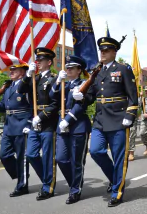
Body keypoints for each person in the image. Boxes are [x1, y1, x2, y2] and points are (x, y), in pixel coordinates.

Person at [84, 37, 138, 207]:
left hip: (118, 118)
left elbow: (133, 96)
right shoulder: (97, 71)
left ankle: (117, 191)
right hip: (100, 119)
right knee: (96, 151)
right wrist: (81, 97)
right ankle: (114, 178)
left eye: (106, 50)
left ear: (114, 52)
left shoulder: (123, 69)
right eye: (101, 50)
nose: (103, 53)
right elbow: (92, 96)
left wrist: (129, 116)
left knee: (119, 158)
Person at [49, 55, 91, 204]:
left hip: (78, 125)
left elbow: (81, 105)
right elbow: (51, 97)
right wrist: (58, 81)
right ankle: (74, 182)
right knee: (60, 158)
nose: (68, 70)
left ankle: (75, 190)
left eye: (72, 68)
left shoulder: (84, 84)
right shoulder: (63, 85)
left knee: (76, 161)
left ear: (79, 70)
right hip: (62, 125)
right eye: (67, 67)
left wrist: (68, 120)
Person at [0, 64, 31, 197]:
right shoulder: (8, 87)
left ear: (22, 73)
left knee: (22, 158)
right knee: (4, 155)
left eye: (14, 70)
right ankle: (21, 175)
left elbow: (33, 106)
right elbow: (5, 107)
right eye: (11, 70)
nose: (11, 72)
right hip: (9, 126)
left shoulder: (26, 87)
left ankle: (22, 186)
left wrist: (29, 123)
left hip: (22, 125)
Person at [18, 48, 58, 201]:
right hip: (34, 122)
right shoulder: (34, 78)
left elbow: (55, 103)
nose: (38, 63)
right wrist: (28, 75)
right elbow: (21, 90)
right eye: (37, 60)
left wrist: (41, 116)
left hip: (47, 122)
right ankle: (46, 179)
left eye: (41, 61)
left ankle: (48, 187)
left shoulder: (54, 79)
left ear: (48, 62)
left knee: (48, 157)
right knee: (31, 154)